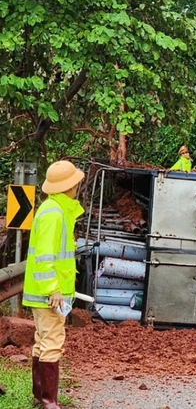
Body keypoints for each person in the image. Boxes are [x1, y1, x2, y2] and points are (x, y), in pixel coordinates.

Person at [23, 160, 85, 409]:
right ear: (68, 186)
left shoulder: (54, 210)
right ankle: (49, 402)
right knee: (52, 343)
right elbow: (46, 257)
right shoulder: (54, 214)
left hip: (47, 293)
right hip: (50, 295)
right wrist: (54, 290)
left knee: (42, 341)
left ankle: (41, 397)